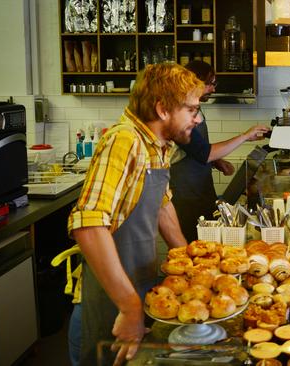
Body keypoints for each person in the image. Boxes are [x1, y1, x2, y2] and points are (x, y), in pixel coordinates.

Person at [67, 63, 204, 366]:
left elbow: (162, 206)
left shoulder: (158, 146)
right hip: (109, 302)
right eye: (192, 110)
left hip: (137, 288)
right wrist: (129, 307)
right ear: (163, 109)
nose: (197, 119)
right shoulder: (124, 140)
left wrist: (188, 264)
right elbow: (88, 225)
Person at [170, 60, 270, 242]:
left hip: (202, 189)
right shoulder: (180, 113)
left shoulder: (195, 109)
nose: (213, 89)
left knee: (207, 244)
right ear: (195, 83)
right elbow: (204, 152)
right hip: (185, 194)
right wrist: (245, 136)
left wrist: (216, 161)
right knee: (192, 248)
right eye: (211, 84)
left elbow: (196, 148)